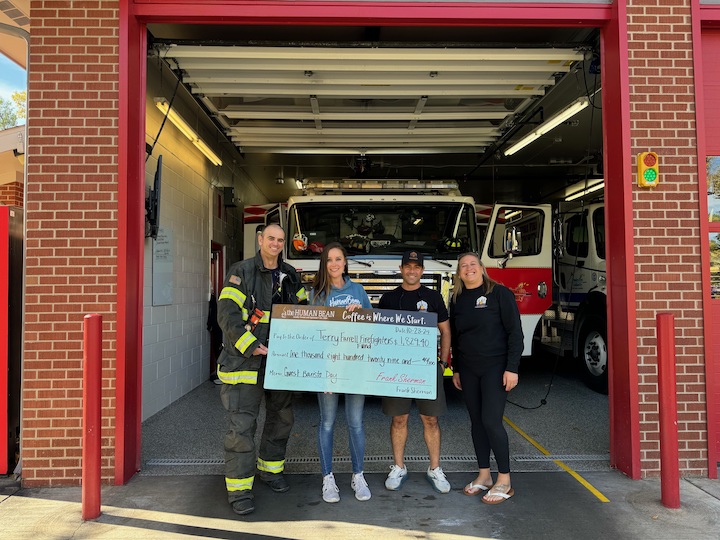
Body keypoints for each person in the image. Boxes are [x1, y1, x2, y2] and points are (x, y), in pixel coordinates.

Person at [216, 223, 308, 516]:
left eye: (281, 240)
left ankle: (270, 471)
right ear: (260, 240)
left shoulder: (291, 276)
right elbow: (227, 316)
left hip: (280, 364)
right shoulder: (240, 272)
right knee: (242, 427)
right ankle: (240, 488)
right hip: (246, 363)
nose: (276, 244)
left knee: (281, 420)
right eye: (271, 238)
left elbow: (306, 314)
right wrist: (250, 345)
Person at [449, 252, 522, 505]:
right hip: (469, 370)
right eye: (463, 266)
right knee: (477, 422)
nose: (468, 269)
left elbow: (516, 333)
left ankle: (505, 479)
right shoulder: (457, 299)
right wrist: (456, 368)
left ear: (481, 268)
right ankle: (484, 476)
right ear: (459, 273)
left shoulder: (500, 294)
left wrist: (512, 368)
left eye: (472, 264)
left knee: (491, 421)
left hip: (495, 367)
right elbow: (457, 340)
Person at [378, 250, 452, 493]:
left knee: (430, 419)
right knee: (399, 418)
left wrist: (443, 363)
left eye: (416, 267)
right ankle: (399, 467)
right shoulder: (388, 298)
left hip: (426, 368)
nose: (412, 270)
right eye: (407, 266)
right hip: (396, 370)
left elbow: (446, 331)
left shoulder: (432, 297)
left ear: (422, 270)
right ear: (401, 269)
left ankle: (435, 468)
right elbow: (378, 335)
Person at [308, 242, 373, 504]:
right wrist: (319, 371)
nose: (334, 264)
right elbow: (312, 332)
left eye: (338, 259)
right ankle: (328, 479)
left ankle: (358, 475)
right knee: (327, 422)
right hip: (329, 368)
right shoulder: (317, 292)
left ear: (345, 262)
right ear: (324, 264)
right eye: (329, 260)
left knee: (356, 423)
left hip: (355, 366)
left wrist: (361, 313)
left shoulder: (357, 290)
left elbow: (373, 325)